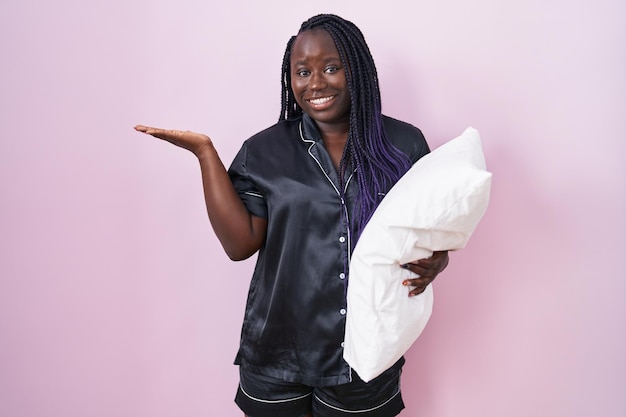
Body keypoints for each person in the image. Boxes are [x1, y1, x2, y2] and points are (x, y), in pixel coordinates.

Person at [135, 13, 449, 417]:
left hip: (366, 352)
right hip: (278, 351)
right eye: (302, 72)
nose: (315, 83)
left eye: (331, 68)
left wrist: (438, 259)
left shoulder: (404, 144)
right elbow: (239, 245)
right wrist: (205, 153)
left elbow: (431, 226)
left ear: (358, 71)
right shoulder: (264, 151)